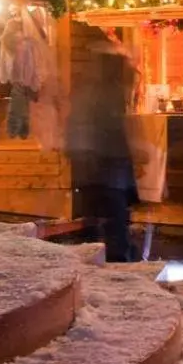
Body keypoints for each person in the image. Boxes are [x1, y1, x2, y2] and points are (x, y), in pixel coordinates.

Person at [68, 35, 139, 263]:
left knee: (96, 216)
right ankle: (116, 260)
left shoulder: (88, 87)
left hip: (93, 163)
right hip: (106, 162)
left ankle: (96, 260)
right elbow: (108, 127)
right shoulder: (108, 90)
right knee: (114, 216)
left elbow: (77, 123)